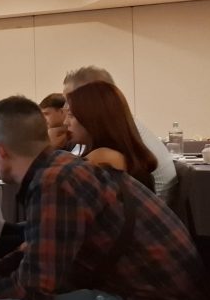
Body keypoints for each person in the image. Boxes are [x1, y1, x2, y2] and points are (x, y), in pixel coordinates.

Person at [0, 96, 210, 300]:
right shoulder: (62, 167)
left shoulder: (54, 182)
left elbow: (34, 286)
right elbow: (35, 255)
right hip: (168, 299)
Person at [61, 66, 176, 201]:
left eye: (71, 112)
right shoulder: (121, 130)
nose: (65, 121)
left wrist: (48, 146)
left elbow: (60, 186)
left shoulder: (105, 157)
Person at [65, 81, 157, 191]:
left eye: (71, 115)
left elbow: (58, 187)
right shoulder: (123, 155)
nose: (65, 122)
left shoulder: (102, 158)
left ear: (92, 118)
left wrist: (50, 146)